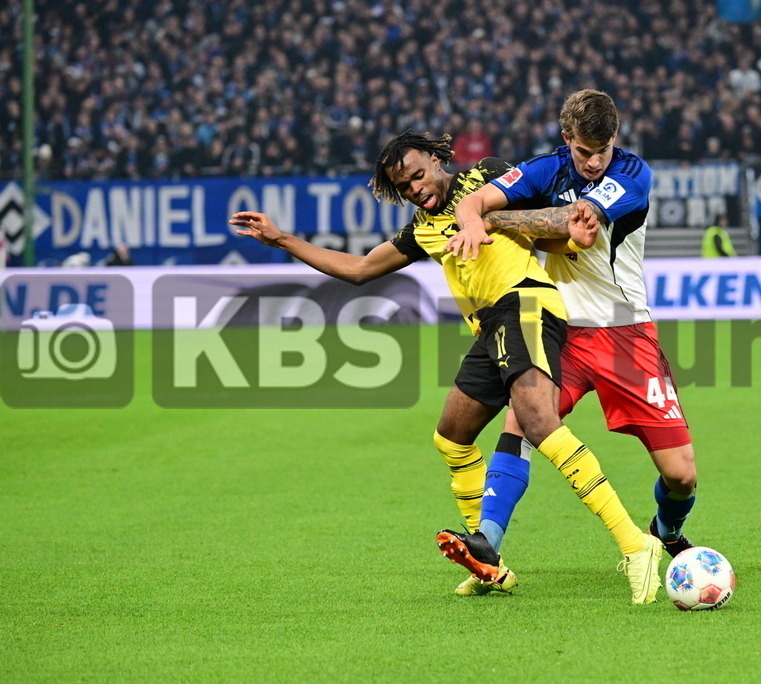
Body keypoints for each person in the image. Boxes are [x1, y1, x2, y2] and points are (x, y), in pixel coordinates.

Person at [230, 131, 663, 604]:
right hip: (490, 326)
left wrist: (560, 231)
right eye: (405, 186)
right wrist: (283, 239)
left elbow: (550, 214)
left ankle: (635, 544)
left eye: (419, 174)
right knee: (452, 435)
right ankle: (486, 559)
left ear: (439, 160)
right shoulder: (422, 229)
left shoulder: (487, 178)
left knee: (539, 422)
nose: (416, 188)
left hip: (525, 304)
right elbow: (358, 270)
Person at [448, 90, 699, 596]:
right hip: (559, 328)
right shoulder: (545, 169)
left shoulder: (633, 174)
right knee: (521, 422)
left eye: (602, 150)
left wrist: (495, 220)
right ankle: (486, 547)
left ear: (615, 140)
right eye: (584, 152)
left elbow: (577, 226)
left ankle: (665, 532)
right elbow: (472, 201)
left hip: (627, 333)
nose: (594, 161)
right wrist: (475, 217)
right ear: (568, 141)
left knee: (682, 476)